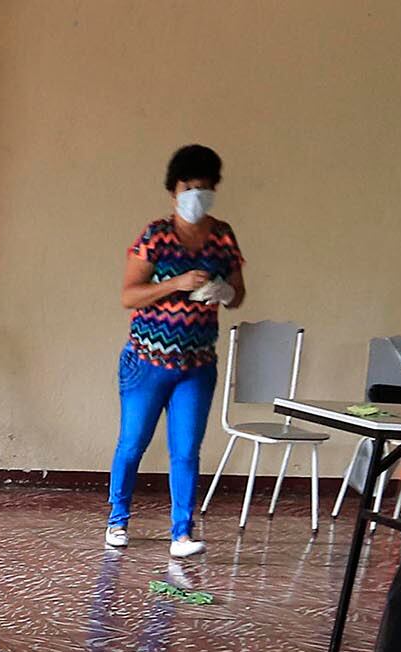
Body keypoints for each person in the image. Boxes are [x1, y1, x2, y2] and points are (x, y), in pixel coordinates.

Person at [108, 144, 243, 555]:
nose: (196, 196)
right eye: (188, 188)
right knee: (133, 442)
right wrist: (175, 284)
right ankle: (117, 519)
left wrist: (224, 292)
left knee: (185, 450)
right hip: (146, 362)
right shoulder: (156, 236)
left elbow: (238, 295)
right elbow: (129, 295)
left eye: (204, 188)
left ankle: (182, 532)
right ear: (173, 191)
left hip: (197, 365)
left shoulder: (223, 236)